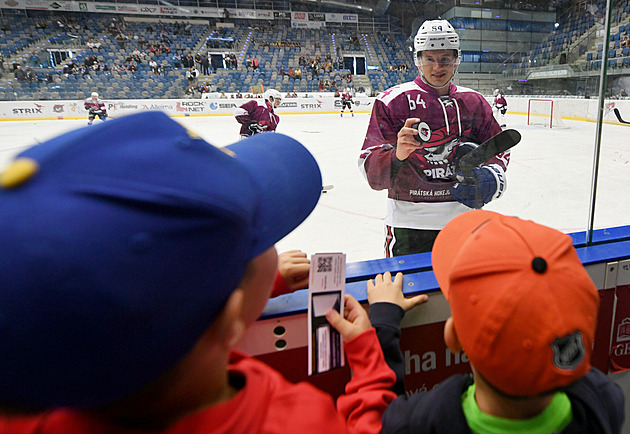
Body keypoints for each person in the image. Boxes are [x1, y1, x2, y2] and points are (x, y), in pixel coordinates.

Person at [0, 111, 399, 433]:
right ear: (229, 319)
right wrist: (368, 362)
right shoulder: (299, 421)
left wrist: (243, 286)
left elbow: (145, 325)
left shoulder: (30, 401)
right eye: (257, 242)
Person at [368, 210, 625, 433]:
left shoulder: (418, 423)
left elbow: (376, 420)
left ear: (453, 338)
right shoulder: (604, 401)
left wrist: (383, 325)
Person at [358, 20, 509, 257]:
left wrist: (493, 174)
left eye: (445, 59)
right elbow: (371, 173)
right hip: (410, 224)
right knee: (409, 290)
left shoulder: (474, 102)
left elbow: (499, 147)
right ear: (418, 59)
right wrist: (396, 154)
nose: (437, 67)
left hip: (464, 219)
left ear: (456, 59)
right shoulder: (392, 101)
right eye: (430, 58)